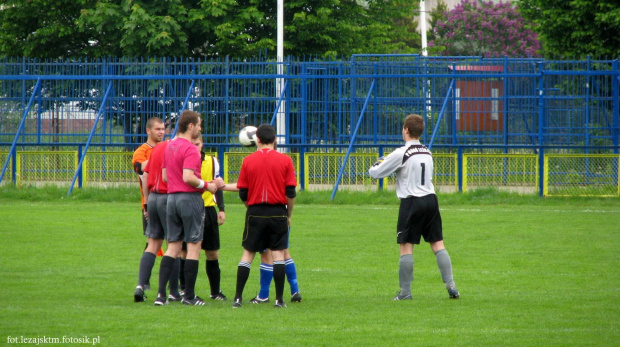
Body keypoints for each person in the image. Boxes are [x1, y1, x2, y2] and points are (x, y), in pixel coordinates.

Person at [368, 114, 460, 301]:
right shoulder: (427, 151)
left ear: (407, 130)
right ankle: (451, 285)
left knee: (406, 246)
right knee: (437, 244)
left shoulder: (402, 152)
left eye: (403, 128)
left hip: (412, 201)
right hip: (431, 199)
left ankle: (405, 292)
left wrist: (378, 163)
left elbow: (376, 173)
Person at [153, 110, 224, 306]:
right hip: (189, 199)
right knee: (193, 247)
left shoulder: (169, 146)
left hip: (171, 199)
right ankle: (189, 296)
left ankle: (161, 295)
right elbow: (188, 177)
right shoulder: (191, 149)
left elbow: (166, 178)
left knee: (173, 247)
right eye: (199, 124)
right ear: (191, 126)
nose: (200, 128)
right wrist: (208, 186)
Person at [231, 124, 297, 308]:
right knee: (278, 255)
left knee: (248, 254)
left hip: (255, 213)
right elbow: (291, 192)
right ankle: (279, 300)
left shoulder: (248, 161)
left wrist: (250, 207)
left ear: (257, 139)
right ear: (275, 139)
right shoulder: (285, 160)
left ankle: (237, 298)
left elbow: (243, 192)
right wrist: (288, 213)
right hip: (278, 212)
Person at [133, 136, 182, 303]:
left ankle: (140, 285)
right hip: (168, 197)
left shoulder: (158, 148)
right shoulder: (179, 148)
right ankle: (173, 292)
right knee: (173, 244)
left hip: (153, 197)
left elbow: (145, 177)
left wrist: (146, 203)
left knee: (153, 244)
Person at [131, 117, 166, 290]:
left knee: (172, 243)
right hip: (150, 203)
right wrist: (159, 158)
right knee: (153, 242)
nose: (161, 132)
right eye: (158, 129)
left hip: (169, 201)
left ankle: (172, 285)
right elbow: (139, 168)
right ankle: (145, 281)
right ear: (148, 131)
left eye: (163, 129)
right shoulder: (142, 151)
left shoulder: (166, 148)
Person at [195, 137, 228, 301]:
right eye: (192, 144)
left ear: (202, 144)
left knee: (213, 253)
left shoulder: (212, 161)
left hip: (209, 211)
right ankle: (184, 290)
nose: (195, 146)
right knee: (188, 252)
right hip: (192, 209)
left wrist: (221, 208)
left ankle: (215, 292)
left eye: (197, 143)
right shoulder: (184, 160)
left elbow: (218, 184)